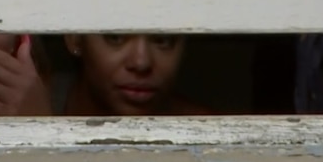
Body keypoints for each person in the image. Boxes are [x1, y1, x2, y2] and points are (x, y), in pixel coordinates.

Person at [56, 34, 211, 116]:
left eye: (163, 40)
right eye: (116, 37)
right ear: (74, 37)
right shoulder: (37, 112)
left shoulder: (212, 137)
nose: (141, 62)